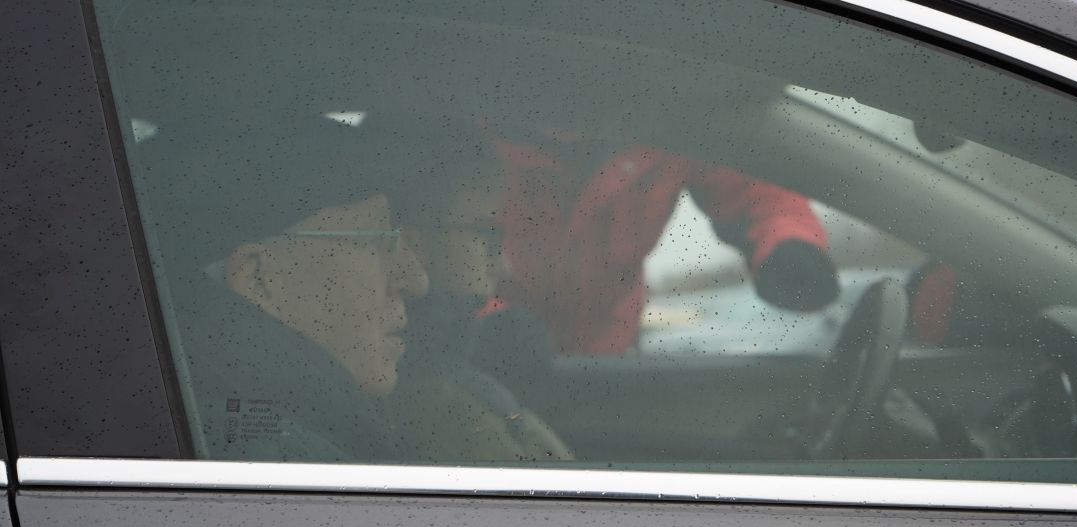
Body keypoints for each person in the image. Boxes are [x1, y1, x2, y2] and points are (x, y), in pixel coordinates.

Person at [143, 116, 429, 461]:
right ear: (257, 280)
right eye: (377, 241)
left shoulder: (214, 429)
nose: (418, 281)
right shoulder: (260, 454)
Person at [491, 131, 841, 353]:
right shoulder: (483, 131)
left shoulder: (673, 126)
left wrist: (789, 242)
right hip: (491, 354)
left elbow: (756, 191)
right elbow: (455, 251)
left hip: (609, 350)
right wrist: (479, 326)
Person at [387, 120, 572, 462]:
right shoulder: (438, 409)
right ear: (413, 243)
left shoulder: (452, 380)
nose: (503, 264)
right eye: (485, 235)